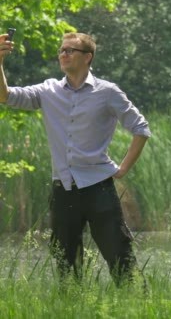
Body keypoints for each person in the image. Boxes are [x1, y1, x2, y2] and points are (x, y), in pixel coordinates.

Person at [0, 32, 151, 286]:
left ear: (88, 57)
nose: (63, 54)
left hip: (99, 189)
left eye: (70, 50)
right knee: (66, 264)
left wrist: (123, 168)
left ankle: (141, 308)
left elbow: (141, 129)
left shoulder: (107, 92)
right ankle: (72, 309)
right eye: (61, 50)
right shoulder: (48, 90)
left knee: (120, 258)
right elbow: (5, 96)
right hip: (63, 190)